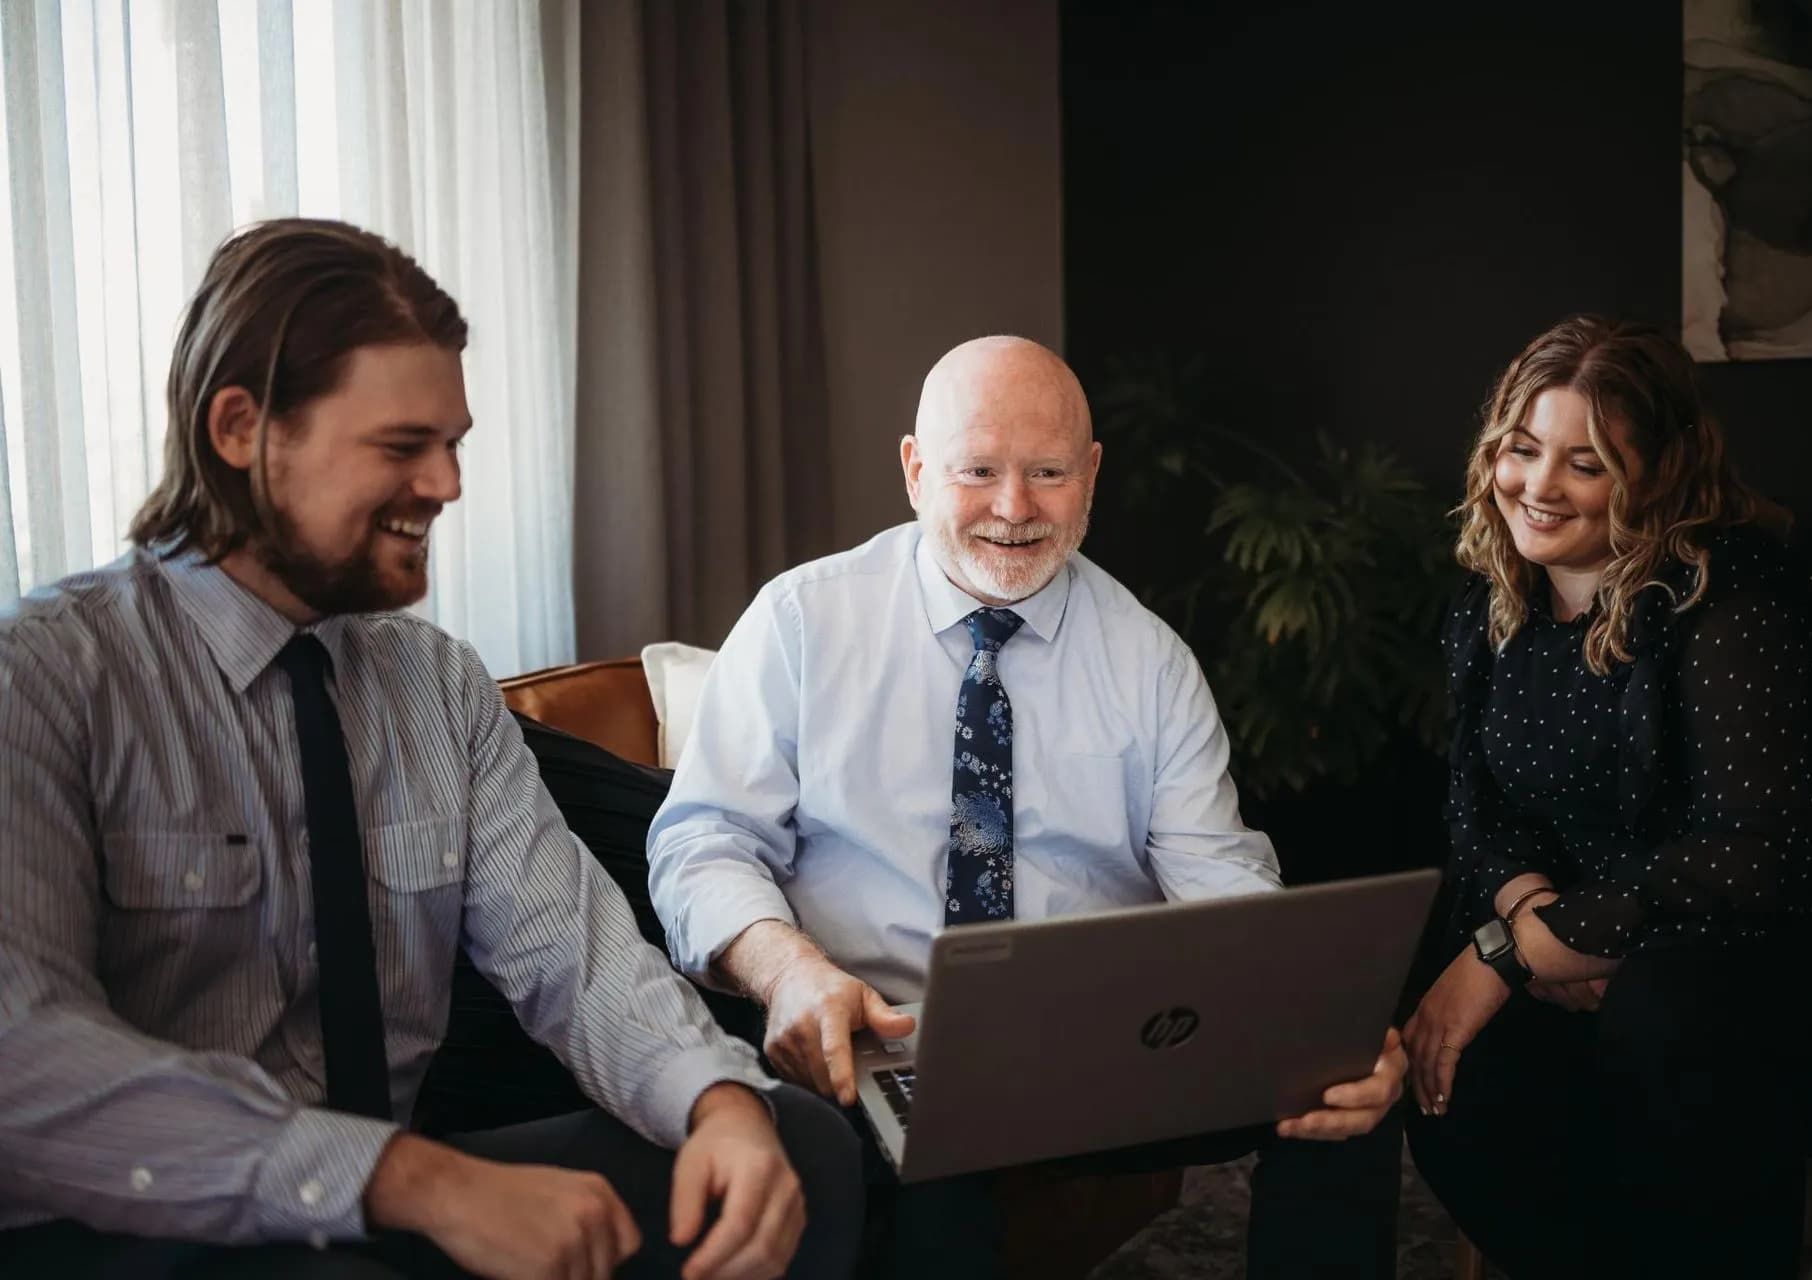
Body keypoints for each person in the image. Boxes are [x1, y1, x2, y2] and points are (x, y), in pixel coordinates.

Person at [0, 218, 862, 1280]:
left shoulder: (435, 682)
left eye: (453, 442)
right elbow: (23, 1057)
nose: (450, 484)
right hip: (134, 1228)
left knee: (799, 1150)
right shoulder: (42, 678)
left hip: (398, 1197)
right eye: (404, 446)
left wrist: (717, 1098)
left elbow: (575, 957)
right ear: (242, 429)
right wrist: (424, 1181)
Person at [647, 335, 1409, 1279]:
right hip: (884, 1037)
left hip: (1102, 1045)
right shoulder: (801, 624)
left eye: (1048, 472)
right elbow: (701, 845)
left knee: (1347, 1102)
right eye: (979, 471)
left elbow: (1223, 880)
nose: (1014, 510)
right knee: (938, 1182)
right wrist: (789, 973)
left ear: (1091, 476)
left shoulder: (1149, 659)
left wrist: (1309, 1017)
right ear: (916, 470)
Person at [1402, 315, 1812, 1279]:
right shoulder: (1491, 601)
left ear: (1656, 475)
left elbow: (1754, 856)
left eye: (1585, 464)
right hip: (1605, 939)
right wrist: (1527, 916)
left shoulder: (1730, 600)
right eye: (1523, 449)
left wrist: (1514, 952)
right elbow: (1477, 804)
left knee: (1665, 1011)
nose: (1539, 487)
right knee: (1457, 1058)